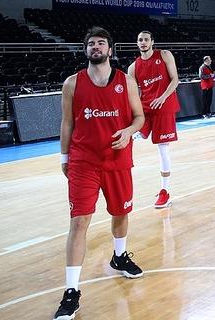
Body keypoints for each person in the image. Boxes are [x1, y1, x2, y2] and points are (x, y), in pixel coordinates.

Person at [54, 27, 145, 320]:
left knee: (120, 214)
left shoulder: (126, 81)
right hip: (84, 161)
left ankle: (119, 257)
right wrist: (65, 156)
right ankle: (71, 291)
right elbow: (67, 122)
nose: (96, 47)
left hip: (118, 160)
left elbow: (140, 117)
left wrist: (129, 131)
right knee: (79, 222)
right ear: (86, 50)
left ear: (110, 49)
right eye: (91, 43)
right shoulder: (72, 83)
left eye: (101, 43)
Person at [128, 31, 179, 209]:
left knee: (162, 149)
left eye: (146, 39)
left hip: (164, 106)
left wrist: (163, 97)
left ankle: (165, 191)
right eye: (140, 40)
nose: (143, 42)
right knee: (135, 133)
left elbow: (175, 80)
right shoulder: (133, 67)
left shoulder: (164, 55)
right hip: (146, 107)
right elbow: (136, 93)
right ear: (137, 43)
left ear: (152, 42)